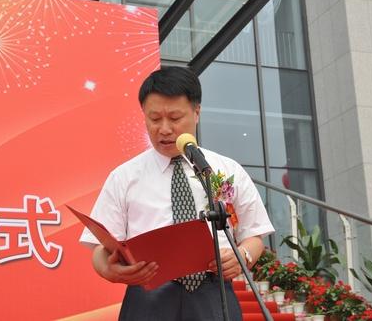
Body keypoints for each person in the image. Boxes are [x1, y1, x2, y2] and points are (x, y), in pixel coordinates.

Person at [80, 66, 274, 320]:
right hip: (148, 295)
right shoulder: (124, 176)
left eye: (174, 118)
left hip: (213, 294)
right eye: (154, 118)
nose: (164, 129)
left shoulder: (225, 170)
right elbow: (100, 247)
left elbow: (255, 233)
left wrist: (243, 255)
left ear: (196, 113)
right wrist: (109, 270)